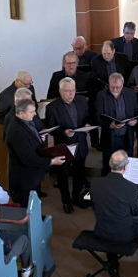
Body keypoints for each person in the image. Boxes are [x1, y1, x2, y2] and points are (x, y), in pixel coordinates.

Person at [90, 150, 138, 273]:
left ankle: (112, 263)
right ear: (125, 167)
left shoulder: (95, 183)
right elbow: (136, 212)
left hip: (102, 231)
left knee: (110, 216)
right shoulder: (130, 187)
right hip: (125, 235)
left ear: (110, 164)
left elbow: (96, 206)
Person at [5, 97, 66, 206]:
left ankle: (35, 219)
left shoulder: (24, 121)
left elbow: (30, 137)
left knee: (32, 204)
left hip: (30, 175)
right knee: (25, 207)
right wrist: (51, 162)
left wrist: (38, 138)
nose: (34, 114)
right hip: (24, 178)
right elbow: (28, 159)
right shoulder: (16, 131)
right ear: (21, 113)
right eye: (31, 112)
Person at [46, 77, 92, 212]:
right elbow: (50, 128)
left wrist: (88, 124)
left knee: (79, 173)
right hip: (63, 146)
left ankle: (77, 197)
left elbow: (87, 117)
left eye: (73, 90)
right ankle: (66, 201)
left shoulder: (82, 101)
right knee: (63, 175)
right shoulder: (52, 107)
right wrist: (63, 132)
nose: (71, 94)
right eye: (67, 91)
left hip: (81, 144)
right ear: (60, 91)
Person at [97, 72, 138, 176]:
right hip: (109, 138)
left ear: (123, 85)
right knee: (108, 167)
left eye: (118, 87)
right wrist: (109, 125)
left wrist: (136, 121)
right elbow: (97, 117)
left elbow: (137, 112)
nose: (115, 89)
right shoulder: (101, 95)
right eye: (113, 87)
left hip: (126, 137)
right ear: (109, 84)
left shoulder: (130, 94)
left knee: (127, 166)